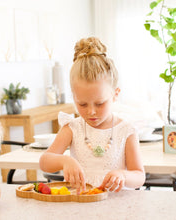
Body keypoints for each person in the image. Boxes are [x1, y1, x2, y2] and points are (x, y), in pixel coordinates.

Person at [39, 37, 145, 193]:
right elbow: (44, 162)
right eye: (82, 104)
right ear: (74, 97)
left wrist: (122, 175)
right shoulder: (72, 128)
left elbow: (139, 176)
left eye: (100, 103)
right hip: (81, 204)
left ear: (115, 95)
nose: (91, 112)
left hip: (116, 207)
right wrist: (64, 160)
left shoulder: (126, 130)